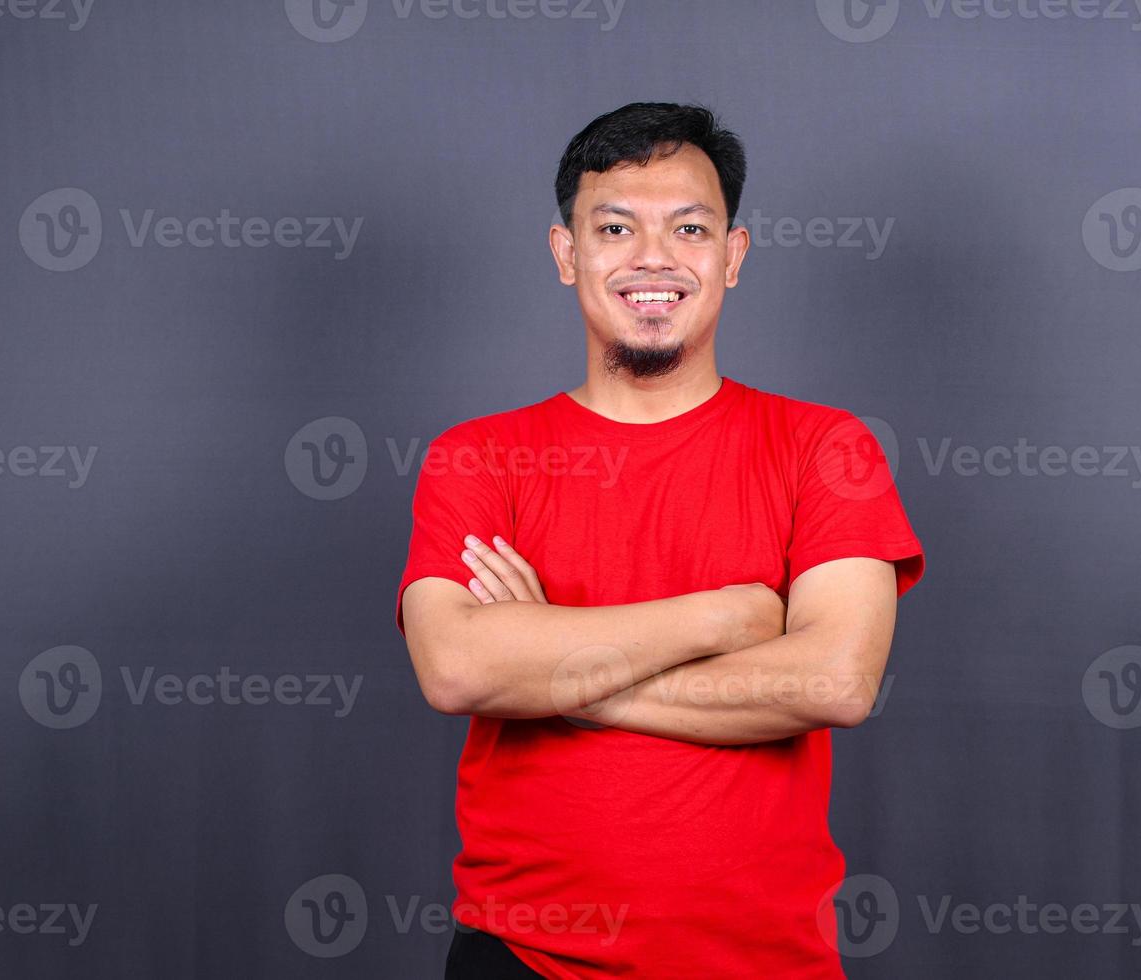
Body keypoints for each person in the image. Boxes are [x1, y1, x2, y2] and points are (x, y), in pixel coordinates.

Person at [395, 101, 924, 979]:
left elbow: (834, 680)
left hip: (767, 965)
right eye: (615, 227)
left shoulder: (829, 450)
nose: (654, 258)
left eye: (689, 228)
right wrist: (730, 614)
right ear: (568, 256)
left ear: (732, 256)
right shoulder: (477, 456)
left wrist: (560, 680)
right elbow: (457, 667)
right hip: (525, 958)